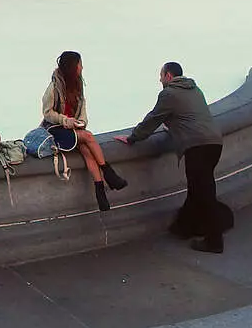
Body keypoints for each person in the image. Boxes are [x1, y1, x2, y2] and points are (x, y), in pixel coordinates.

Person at [116, 62, 227, 253]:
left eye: (161, 75)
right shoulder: (195, 89)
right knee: (198, 190)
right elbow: (188, 116)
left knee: (203, 194)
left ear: (168, 75)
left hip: (196, 147)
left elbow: (153, 119)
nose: (159, 80)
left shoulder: (168, 93)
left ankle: (214, 241)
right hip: (214, 143)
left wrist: (132, 138)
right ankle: (185, 228)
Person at [41, 51, 127, 211]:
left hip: (73, 128)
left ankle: (100, 190)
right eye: (80, 64)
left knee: (87, 150)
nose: (82, 67)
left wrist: (81, 122)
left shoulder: (78, 84)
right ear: (73, 67)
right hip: (56, 130)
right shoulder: (54, 87)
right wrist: (65, 120)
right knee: (88, 136)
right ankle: (109, 173)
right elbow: (47, 113)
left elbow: (82, 108)